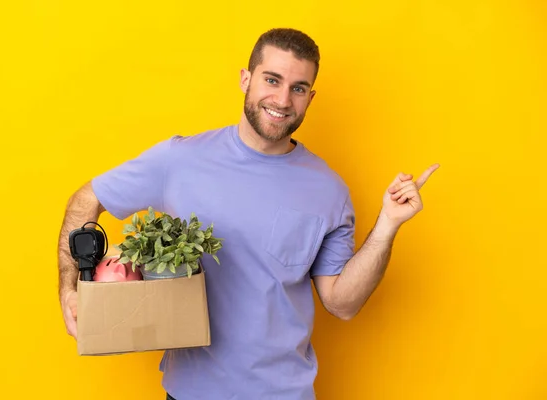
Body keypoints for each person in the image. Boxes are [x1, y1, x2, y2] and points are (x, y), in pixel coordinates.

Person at [58, 28, 439, 400]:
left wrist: (388, 225)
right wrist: (71, 289)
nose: (283, 99)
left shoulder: (329, 190)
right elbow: (88, 198)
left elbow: (342, 303)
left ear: (311, 97)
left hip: (284, 393)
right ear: (246, 79)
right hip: (191, 392)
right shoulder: (180, 160)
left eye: (299, 88)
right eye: (272, 80)